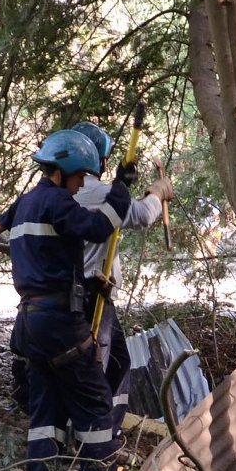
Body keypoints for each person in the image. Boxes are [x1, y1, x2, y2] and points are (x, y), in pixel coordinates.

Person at [0, 129, 133, 471]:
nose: (83, 184)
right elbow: (102, 227)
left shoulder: (27, 202)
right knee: (95, 403)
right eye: (81, 176)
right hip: (59, 322)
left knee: (44, 411)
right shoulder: (57, 203)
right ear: (64, 171)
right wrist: (122, 186)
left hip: (28, 324)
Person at [71, 120, 174, 434]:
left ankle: (105, 430)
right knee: (98, 368)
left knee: (117, 362)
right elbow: (141, 215)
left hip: (78, 293)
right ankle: (93, 438)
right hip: (92, 296)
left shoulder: (61, 194)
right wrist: (157, 193)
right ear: (98, 160)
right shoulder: (97, 193)